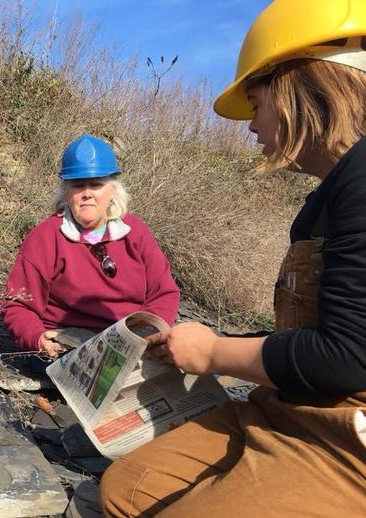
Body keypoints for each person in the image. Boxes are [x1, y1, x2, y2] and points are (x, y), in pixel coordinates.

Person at [100, 1, 366, 516]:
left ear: (301, 85)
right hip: (289, 408)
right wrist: (196, 341)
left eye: (257, 101)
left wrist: (214, 353)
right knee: (124, 491)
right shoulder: (323, 198)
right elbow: (323, 332)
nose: (251, 127)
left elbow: (349, 356)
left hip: (347, 437)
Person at [1, 134, 179, 358]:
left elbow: (164, 293)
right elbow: (17, 304)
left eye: (96, 184)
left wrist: (149, 335)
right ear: (66, 191)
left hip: (131, 342)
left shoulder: (136, 232)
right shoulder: (45, 237)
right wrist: (36, 337)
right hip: (70, 348)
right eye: (78, 185)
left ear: (112, 190)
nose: (87, 194)